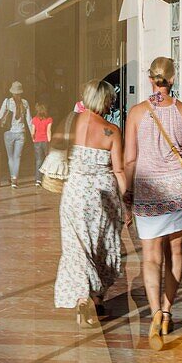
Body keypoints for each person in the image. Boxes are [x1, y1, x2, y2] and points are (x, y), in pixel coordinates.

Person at [123, 56, 182, 350]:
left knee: (151, 256)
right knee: (176, 253)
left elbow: (130, 158)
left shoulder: (137, 112)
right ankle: (168, 311)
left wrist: (127, 193)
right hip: (179, 191)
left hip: (148, 191)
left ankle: (154, 311)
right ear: (173, 78)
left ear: (149, 78)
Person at [54, 79, 126, 327]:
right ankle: (96, 299)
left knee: (76, 246)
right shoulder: (112, 131)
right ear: (104, 101)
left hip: (75, 193)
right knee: (102, 245)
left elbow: (55, 148)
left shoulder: (70, 122)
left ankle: (83, 298)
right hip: (102, 195)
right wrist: (125, 201)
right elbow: (119, 170)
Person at [0, 81, 33, 188]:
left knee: (10, 157)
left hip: (9, 133)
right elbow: (29, 120)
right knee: (17, 157)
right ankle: (14, 179)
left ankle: (13, 177)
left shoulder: (7, 102)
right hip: (21, 133)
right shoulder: (25, 103)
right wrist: (32, 134)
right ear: (21, 92)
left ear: (12, 92)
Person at [31, 102, 53, 187]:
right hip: (45, 141)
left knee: (38, 160)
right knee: (47, 159)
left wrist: (33, 139)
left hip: (37, 141)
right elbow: (48, 131)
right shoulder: (49, 119)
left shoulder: (34, 119)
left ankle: (38, 180)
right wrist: (49, 142)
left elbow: (33, 132)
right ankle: (46, 179)